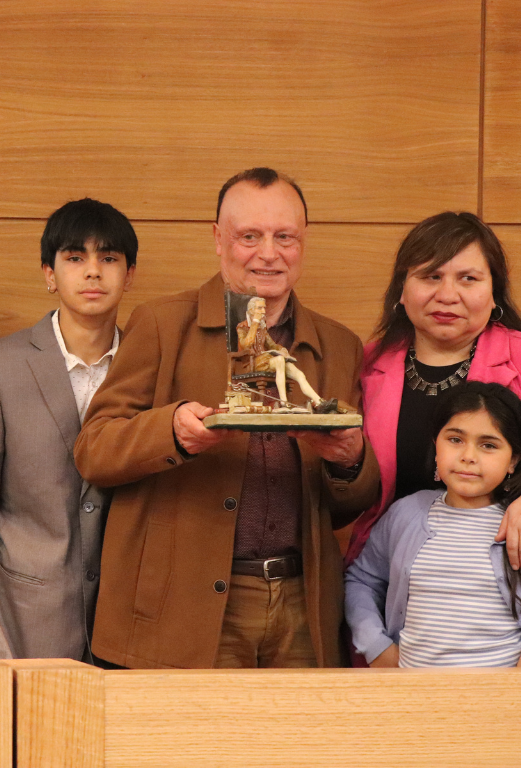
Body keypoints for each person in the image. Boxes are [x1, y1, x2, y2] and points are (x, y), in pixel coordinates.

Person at [74, 168, 380, 669]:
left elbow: (350, 504)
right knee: (187, 747)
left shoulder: (339, 346)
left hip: (302, 605)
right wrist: (171, 430)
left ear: (303, 242)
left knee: (295, 748)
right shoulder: (161, 324)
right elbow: (94, 450)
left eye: (285, 237)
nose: (268, 253)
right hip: (182, 606)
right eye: (249, 237)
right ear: (218, 240)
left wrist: (349, 461)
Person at [347, 212, 521, 577]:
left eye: (468, 279)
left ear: (493, 292)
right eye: (431, 276)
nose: (447, 295)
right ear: (402, 290)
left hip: (502, 587)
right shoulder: (368, 362)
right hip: (390, 579)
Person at [0, 198, 137, 661]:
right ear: (49, 274)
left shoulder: (149, 367)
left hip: (125, 623)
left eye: (108, 258)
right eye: (75, 258)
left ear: (129, 275)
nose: (93, 272)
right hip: (23, 619)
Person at [345, 382, 521, 667]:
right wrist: (374, 645)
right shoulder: (406, 514)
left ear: (514, 460)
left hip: (507, 704)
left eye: (488, 445)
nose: (468, 456)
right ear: (436, 444)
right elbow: (361, 580)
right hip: (415, 701)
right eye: (455, 439)